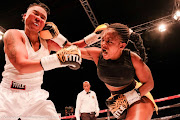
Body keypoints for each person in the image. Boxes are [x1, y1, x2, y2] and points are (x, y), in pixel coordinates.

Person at [1, 2, 81, 120]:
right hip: (8, 94)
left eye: (43, 18)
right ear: (24, 16)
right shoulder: (14, 34)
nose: (38, 18)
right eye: (35, 13)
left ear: (45, 24)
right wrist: (58, 59)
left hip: (35, 97)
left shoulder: (47, 43)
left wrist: (58, 37)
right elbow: (21, 66)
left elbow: (75, 51)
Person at [72, 23, 158, 119]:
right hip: (117, 102)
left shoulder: (132, 58)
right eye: (102, 40)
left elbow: (149, 83)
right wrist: (91, 37)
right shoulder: (97, 55)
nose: (103, 44)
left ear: (122, 45)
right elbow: (69, 50)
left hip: (139, 96)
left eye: (109, 42)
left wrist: (128, 98)